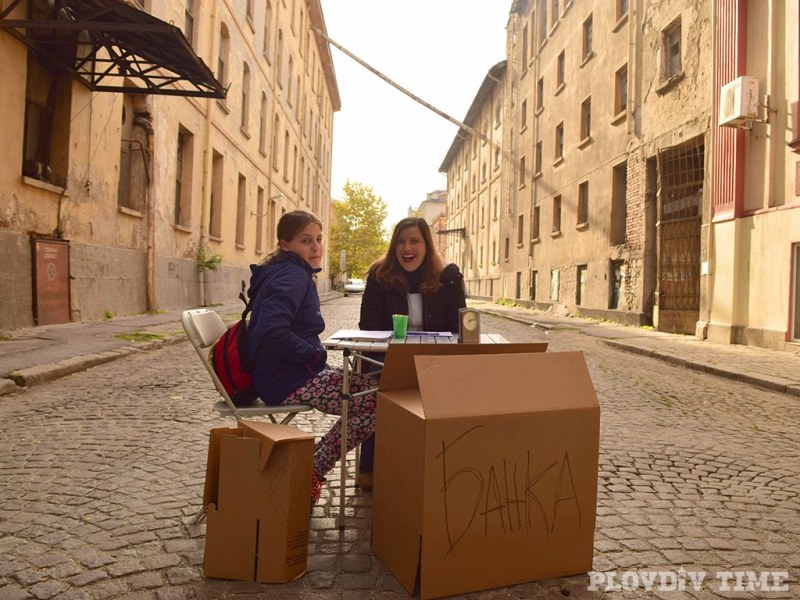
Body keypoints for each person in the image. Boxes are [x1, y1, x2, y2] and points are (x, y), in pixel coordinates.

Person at [247, 210, 378, 501]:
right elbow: (271, 330)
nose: (316, 247)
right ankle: (314, 470)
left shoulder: (291, 271)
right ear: (285, 244)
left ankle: (310, 466)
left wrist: (314, 359)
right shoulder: (292, 276)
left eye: (318, 239)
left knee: (369, 390)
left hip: (291, 373)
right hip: (286, 380)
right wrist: (313, 356)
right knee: (379, 403)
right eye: (306, 240)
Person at [356, 217, 467, 489]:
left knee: (456, 389)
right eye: (401, 242)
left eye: (414, 241)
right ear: (394, 247)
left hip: (433, 359)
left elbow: (459, 329)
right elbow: (367, 326)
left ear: (426, 246)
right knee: (380, 389)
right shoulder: (380, 277)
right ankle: (370, 467)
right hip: (387, 357)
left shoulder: (447, 277)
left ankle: (443, 466)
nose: (407, 248)